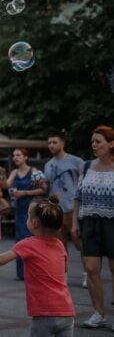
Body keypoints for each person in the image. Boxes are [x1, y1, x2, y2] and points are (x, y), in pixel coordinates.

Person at [0, 196, 75, 336]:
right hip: (67, 312)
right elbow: (65, 269)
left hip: (44, 312)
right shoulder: (59, 245)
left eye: (28, 216)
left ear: (34, 223)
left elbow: (1, 259)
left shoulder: (28, 244)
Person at [71, 125, 114, 329]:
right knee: (91, 268)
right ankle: (99, 313)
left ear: (111, 143)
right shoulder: (86, 166)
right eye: (92, 142)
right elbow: (77, 196)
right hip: (89, 221)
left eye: (98, 141)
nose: (94, 145)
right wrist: (74, 222)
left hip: (112, 222)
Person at [0, 148, 48, 281]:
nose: (15, 158)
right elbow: (5, 186)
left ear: (26, 157)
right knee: (20, 239)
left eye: (18, 155)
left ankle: (35, 271)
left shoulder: (34, 171)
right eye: (14, 155)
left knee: (33, 238)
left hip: (31, 208)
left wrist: (25, 193)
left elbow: (44, 189)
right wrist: (3, 175)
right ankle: (22, 273)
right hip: (19, 210)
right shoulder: (14, 172)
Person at [44, 131, 86, 285]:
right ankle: (63, 274)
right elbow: (46, 186)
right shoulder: (48, 165)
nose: (51, 145)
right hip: (56, 209)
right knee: (60, 245)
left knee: (80, 242)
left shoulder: (76, 161)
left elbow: (85, 182)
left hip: (74, 208)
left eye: (54, 142)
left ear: (62, 143)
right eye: (49, 143)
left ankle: (87, 273)